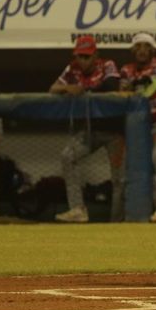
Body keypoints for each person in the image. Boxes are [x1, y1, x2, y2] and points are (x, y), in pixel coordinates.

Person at [49, 36, 124, 223]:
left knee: (119, 179)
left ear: (95, 55)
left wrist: (81, 89)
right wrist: (70, 87)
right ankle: (77, 209)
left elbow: (111, 86)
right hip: (91, 128)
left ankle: (118, 222)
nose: (82, 60)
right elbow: (52, 88)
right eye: (80, 56)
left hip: (115, 130)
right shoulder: (72, 68)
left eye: (87, 56)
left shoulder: (107, 64)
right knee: (68, 156)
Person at [120, 33, 156, 224]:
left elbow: (151, 89)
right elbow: (123, 92)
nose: (142, 50)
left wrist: (135, 87)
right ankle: (130, 212)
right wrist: (134, 86)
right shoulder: (127, 69)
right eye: (137, 46)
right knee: (129, 166)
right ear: (132, 51)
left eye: (146, 46)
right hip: (139, 130)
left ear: (153, 50)